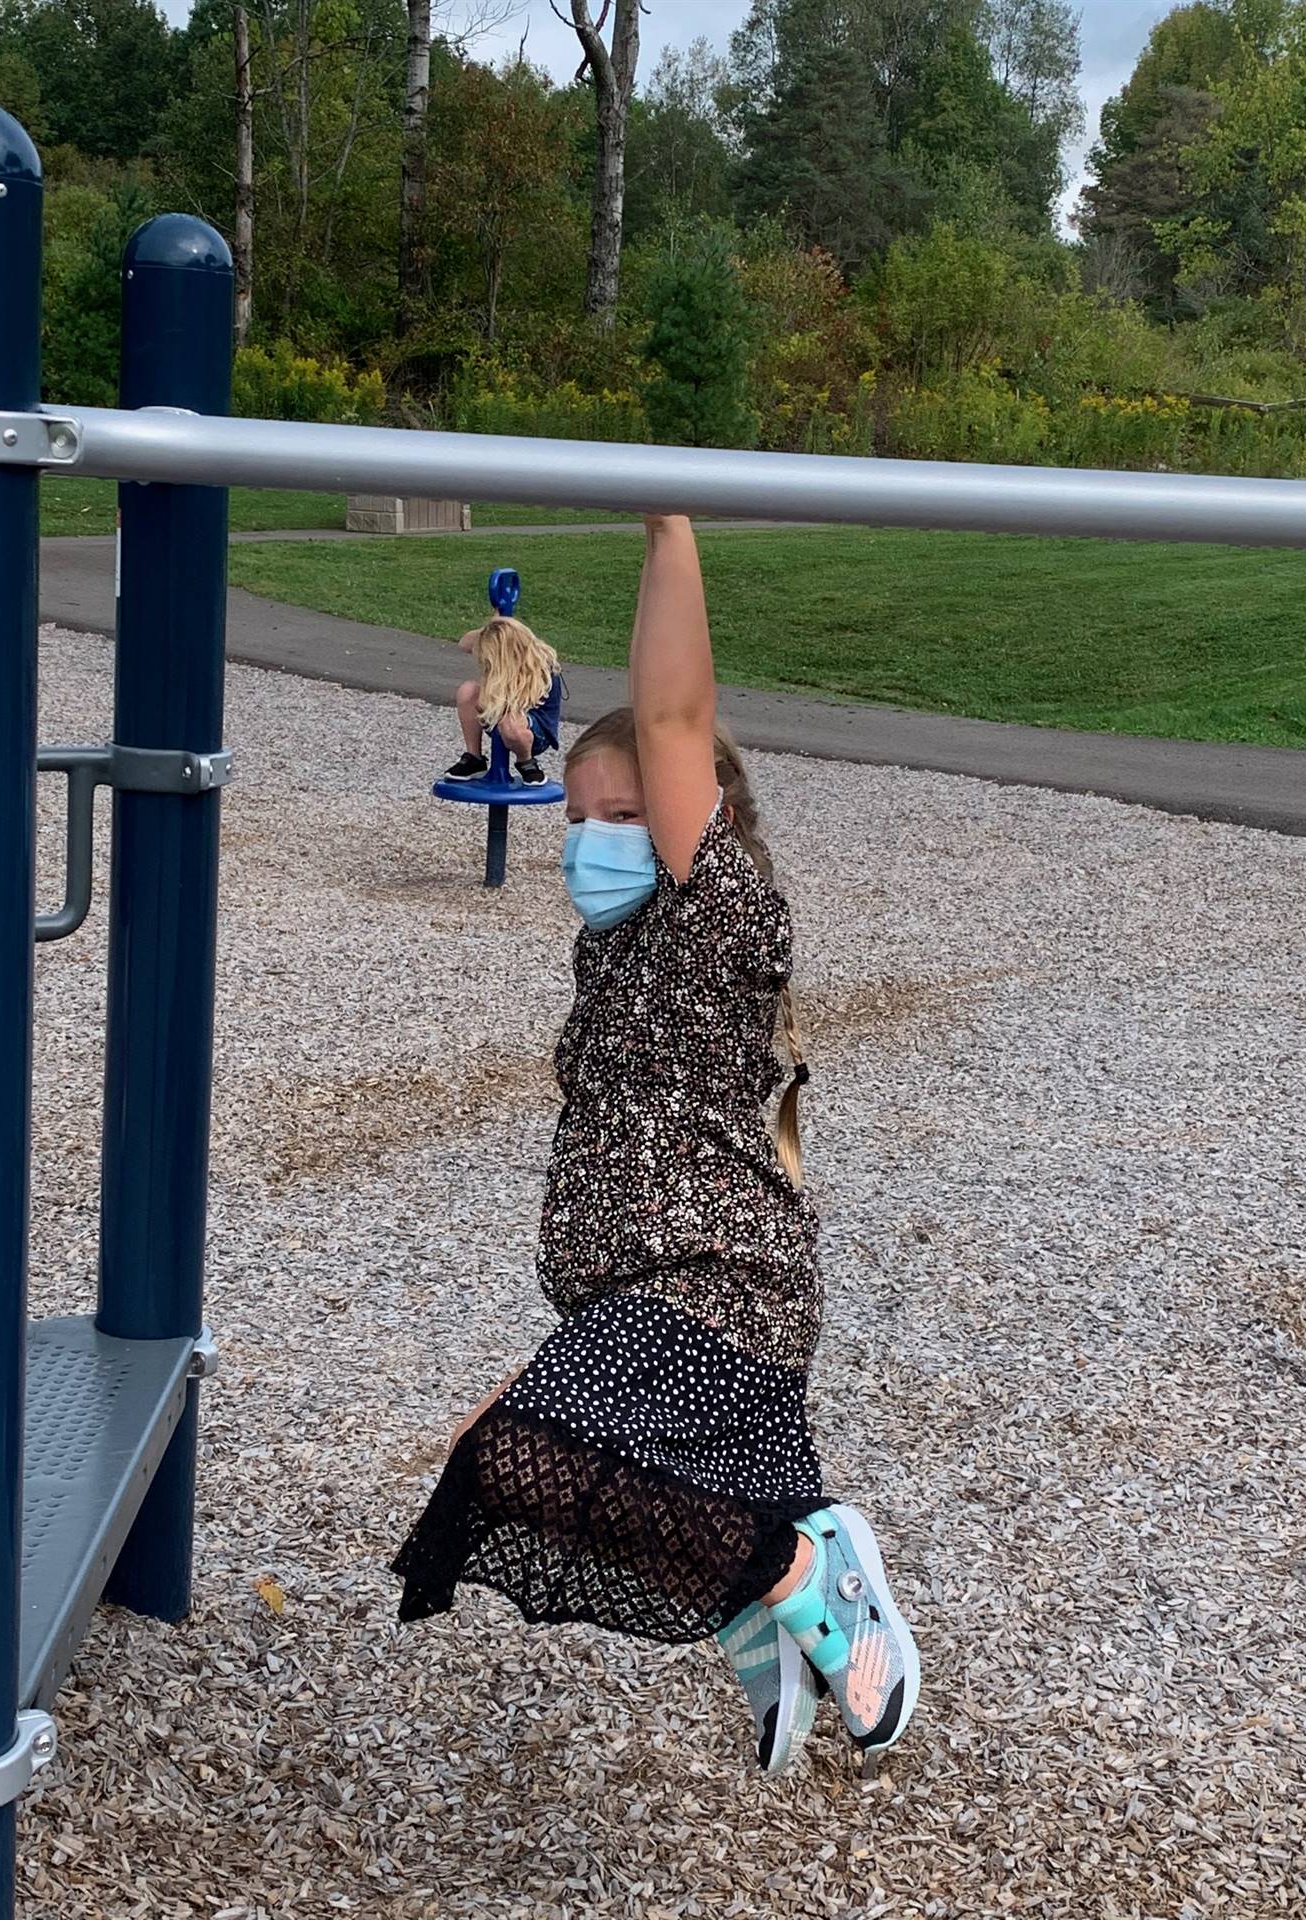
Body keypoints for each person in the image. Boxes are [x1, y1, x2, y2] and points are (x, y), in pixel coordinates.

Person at [395, 516, 918, 1775]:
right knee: (516, 1467)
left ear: (703, 821)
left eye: (624, 813)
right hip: (632, 1298)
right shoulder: (615, 946)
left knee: (506, 1456)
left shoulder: (718, 914)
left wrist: (665, 515)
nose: (591, 838)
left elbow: (676, 718)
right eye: (577, 815)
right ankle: (765, 1574)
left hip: (711, 1288)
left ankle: (804, 1565)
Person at [444, 614, 562, 787]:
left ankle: (526, 762)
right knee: (468, 691)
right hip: (499, 718)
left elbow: (512, 705)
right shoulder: (504, 658)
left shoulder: (540, 667)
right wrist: (495, 622)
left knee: (510, 721)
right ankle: (474, 758)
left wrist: (489, 702)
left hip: (532, 731)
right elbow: (464, 643)